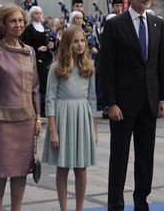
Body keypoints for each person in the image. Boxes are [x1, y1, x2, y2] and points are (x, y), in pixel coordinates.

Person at [99, 0, 164, 211]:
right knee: (119, 157)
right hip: (122, 105)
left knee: (145, 158)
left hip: (149, 104)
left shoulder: (158, 24)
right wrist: (110, 102)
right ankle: (115, 204)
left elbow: (163, 66)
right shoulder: (115, 25)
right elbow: (105, 67)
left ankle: (142, 202)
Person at [0, 3, 42, 211]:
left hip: (26, 121)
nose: (18, 24)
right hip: (1, 122)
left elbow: (35, 87)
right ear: (2, 24)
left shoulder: (29, 51)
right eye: (13, 21)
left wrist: (38, 117)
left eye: (21, 21)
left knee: (21, 170)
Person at [42, 25, 97, 210]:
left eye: (83, 41)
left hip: (82, 118)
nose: (80, 44)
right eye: (75, 41)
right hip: (62, 119)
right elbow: (49, 99)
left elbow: (92, 99)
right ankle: (64, 208)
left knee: (81, 168)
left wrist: (93, 129)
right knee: (63, 167)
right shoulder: (56, 68)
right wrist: (53, 131)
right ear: (67, 43)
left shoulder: (88, 67)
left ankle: (79, 208)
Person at [21, 5, 55, 117]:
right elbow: (24, 44)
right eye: (36, 13)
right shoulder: (28, 28)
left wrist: (52, 45)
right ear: (31, 15)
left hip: (46, 60)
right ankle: (34, 109)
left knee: (45, 84)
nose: (39, 15)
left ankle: (44, 110)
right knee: (35, 84)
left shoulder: (47, 28)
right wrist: (36, 48)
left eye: (40, 13)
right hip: (34, 60)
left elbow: (54, 42)